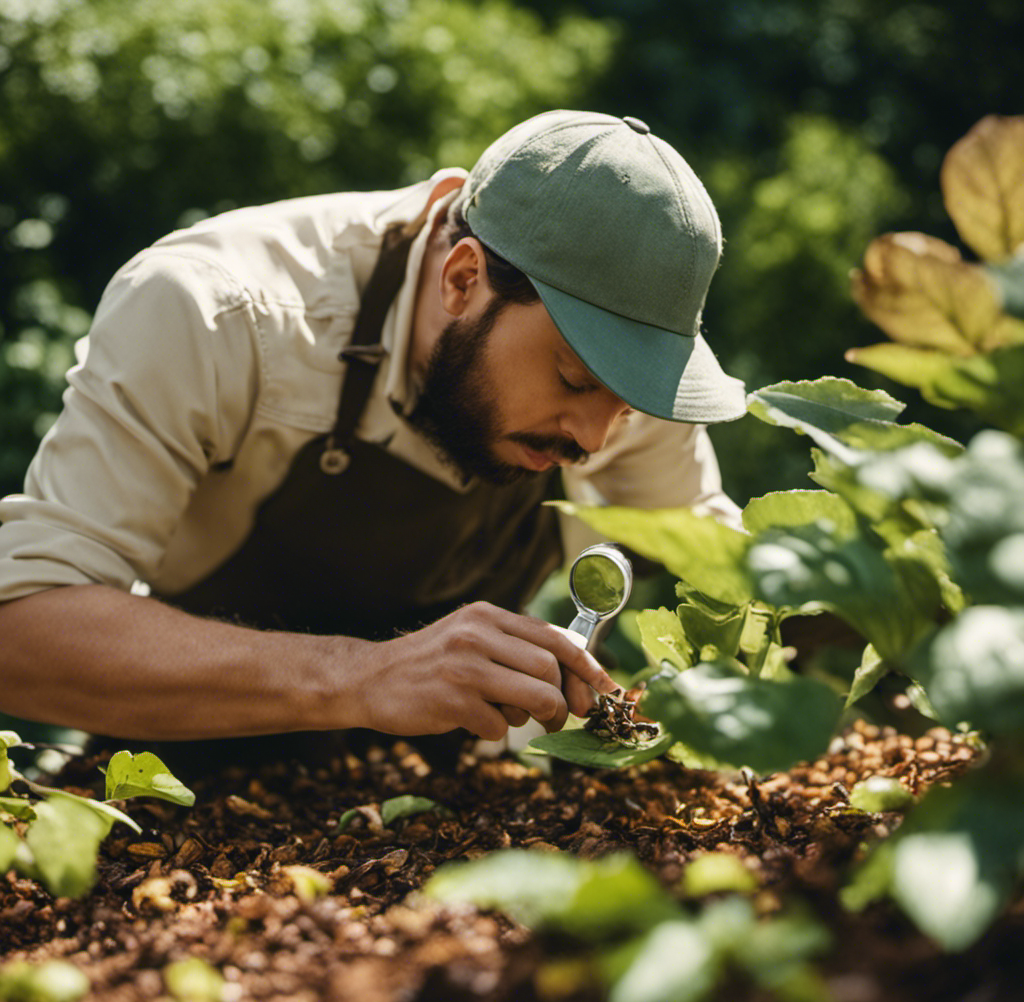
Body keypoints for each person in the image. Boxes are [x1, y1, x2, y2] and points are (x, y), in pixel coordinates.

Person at [0, 110, 746, 761]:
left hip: (451, 811)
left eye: (627, 404)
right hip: (184, 787)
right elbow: (22, 633)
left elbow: (720, 573)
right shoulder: (215, 314)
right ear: (462, 280)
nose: (593, 437)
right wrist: (359, 678)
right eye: (574, 380)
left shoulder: (618, 392)